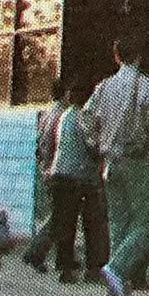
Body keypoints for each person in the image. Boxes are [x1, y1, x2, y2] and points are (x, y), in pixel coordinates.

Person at [82, 38, 149, 296]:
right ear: (138, 56)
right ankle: (116, 269)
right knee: (145, 222)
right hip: (137, 160)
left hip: (110, 162)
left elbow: (86, 118)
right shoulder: (146, 86)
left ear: (117, 57)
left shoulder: (104, 87)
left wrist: (97, 143)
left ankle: (118, 286)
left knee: (119, 222)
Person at [45, 79, 109, 284]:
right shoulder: (84, 117)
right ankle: (93, 269)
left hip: (59, 173)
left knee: (65, 224)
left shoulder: (64, 116)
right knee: (92, 224)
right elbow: (93, 146)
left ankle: (65, 269)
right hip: (81, 177)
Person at [20, 80, 70, 273]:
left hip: (46, 167)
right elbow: (51, 143)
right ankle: (36, 251)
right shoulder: (61, 114)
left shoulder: (48, 112)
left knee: (57, 213)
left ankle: (40, 251)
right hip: (55, 168)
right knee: (58, 215)